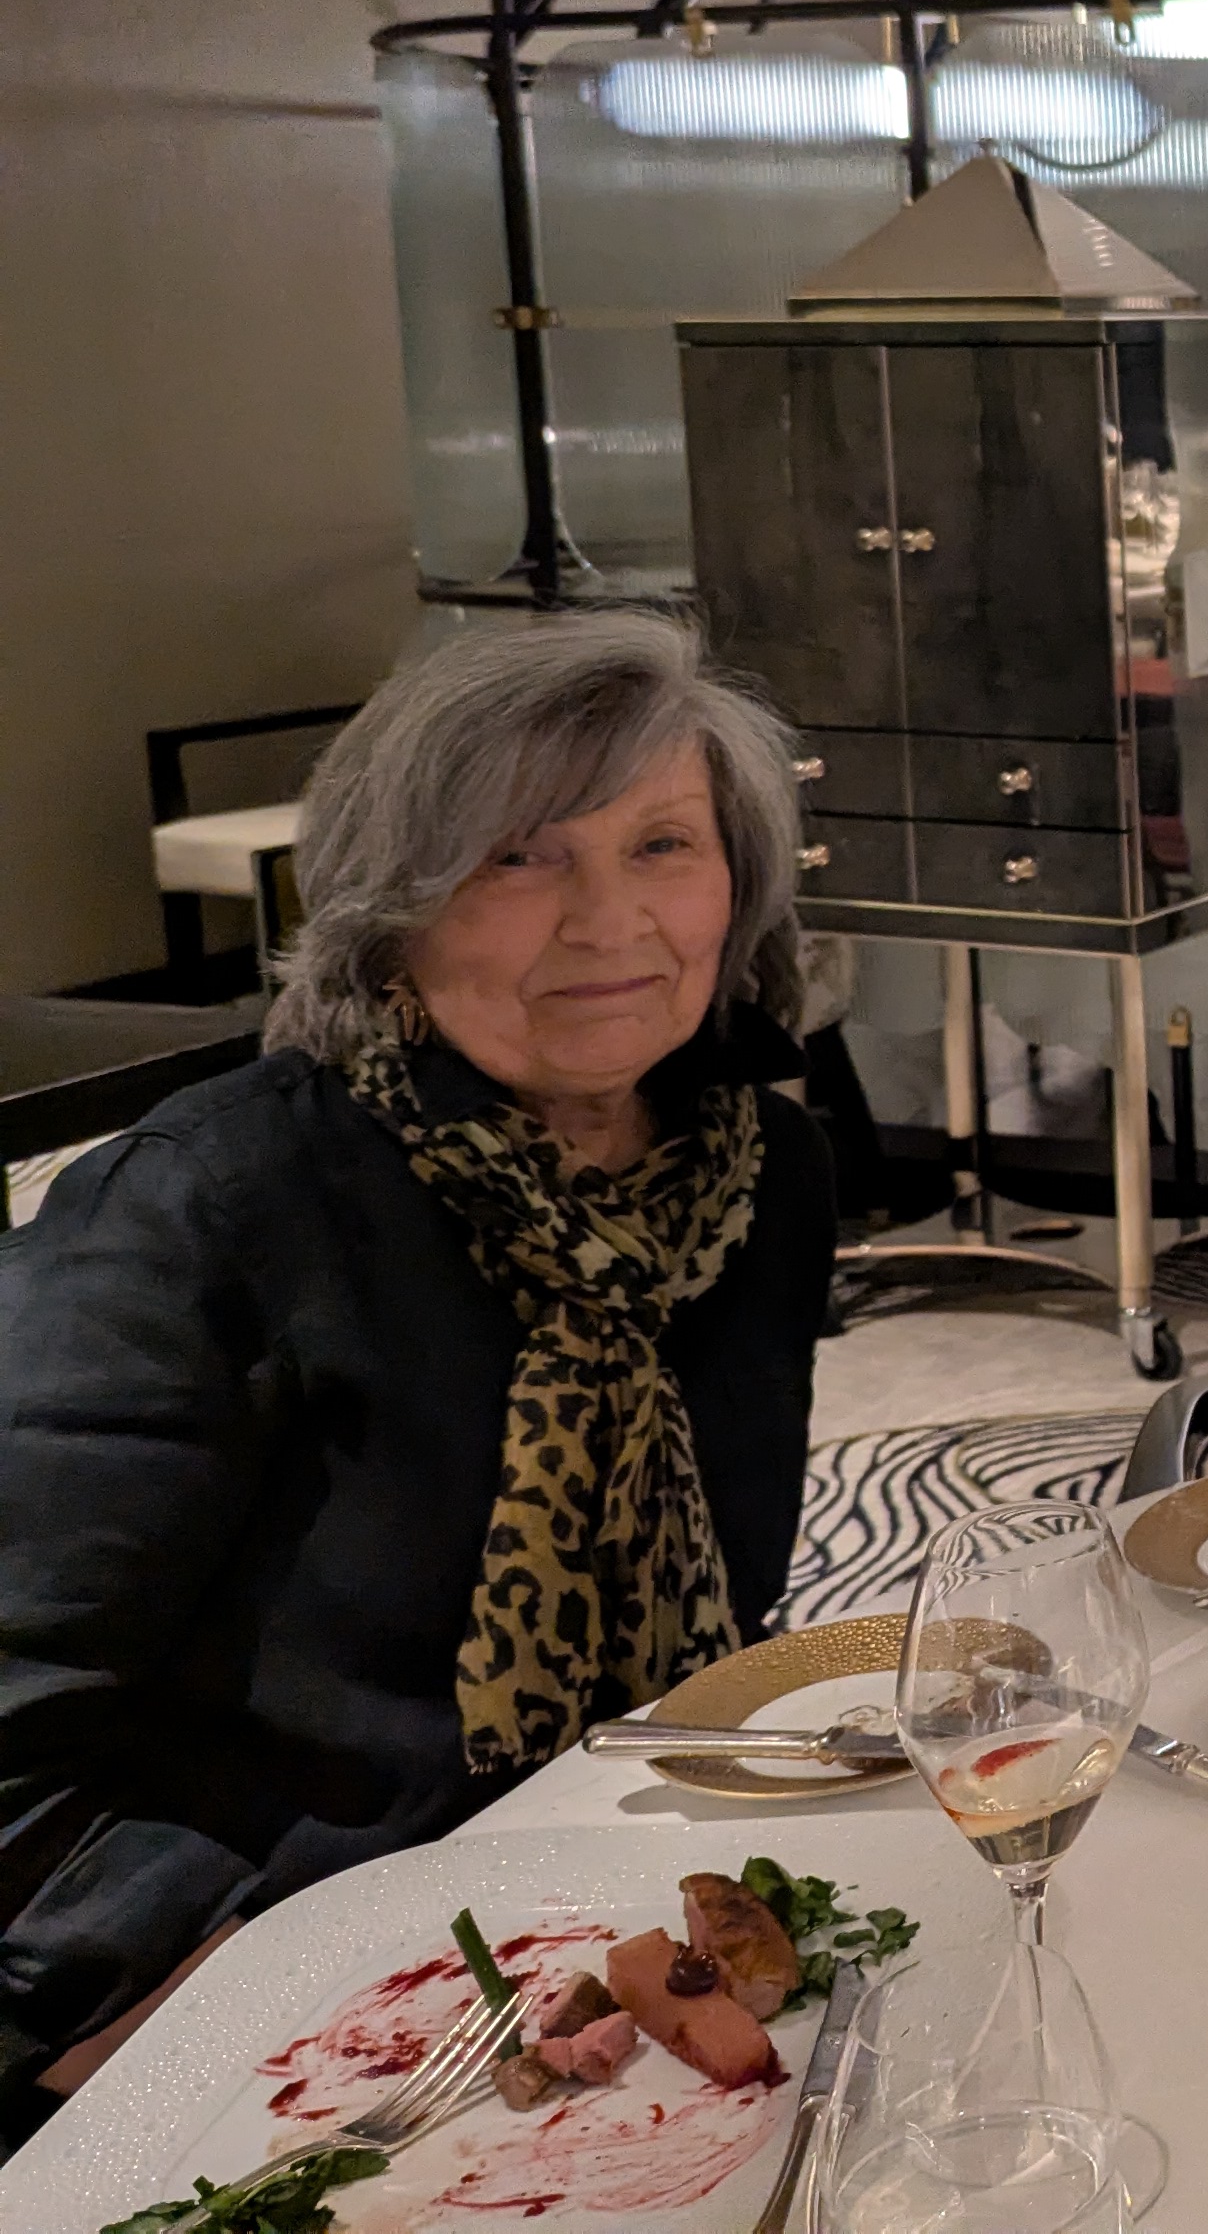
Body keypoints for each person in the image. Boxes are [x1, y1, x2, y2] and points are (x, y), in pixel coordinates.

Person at [0, 616, 835, 2139]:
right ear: (391, 912)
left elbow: (730, 1627)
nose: (610, 922)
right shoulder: (213, 1207)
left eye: (662, 845)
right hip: (276, 1999)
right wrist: (157, 1995)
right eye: (519, 856)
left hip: (612, 1925)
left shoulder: (757, 1174)